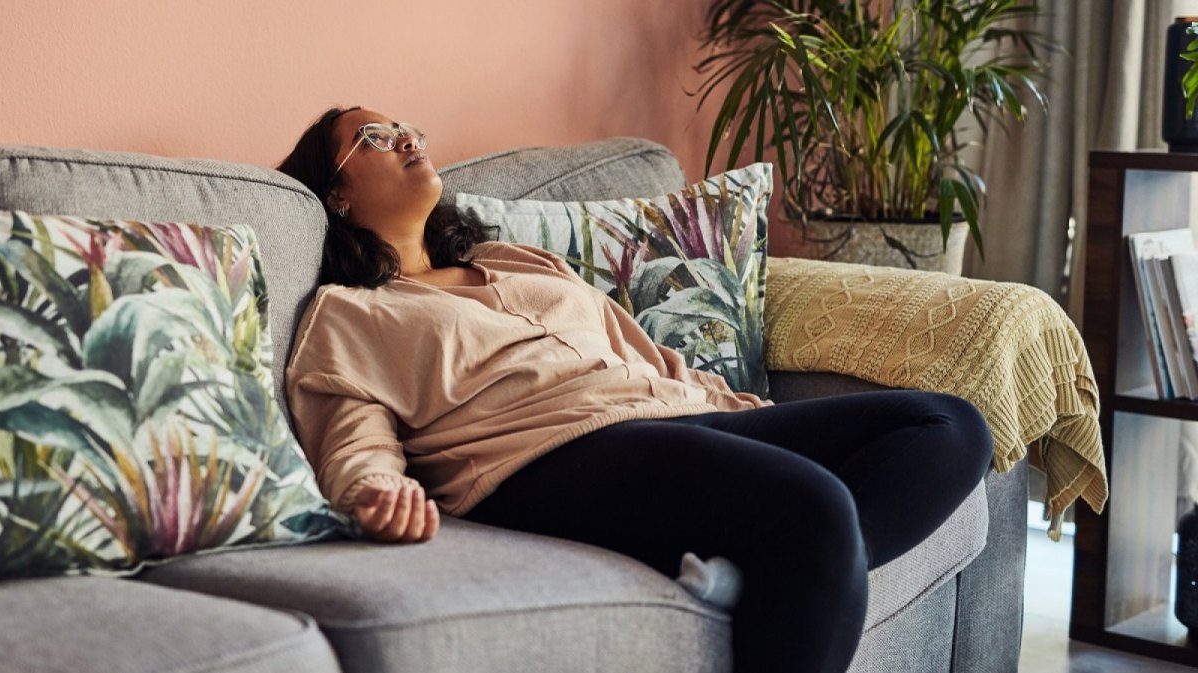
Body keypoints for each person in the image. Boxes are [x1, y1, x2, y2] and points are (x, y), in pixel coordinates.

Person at [277, 106, 994, 673]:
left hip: (670, 417)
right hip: (550, 457)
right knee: (817, 507)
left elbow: (649, 358)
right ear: (336, 192)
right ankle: (791, 561)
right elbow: (352, 437)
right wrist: (375, 494)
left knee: (949, 425)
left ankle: (770, 570)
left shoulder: (513, 260)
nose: (405, 137)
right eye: (374, 136)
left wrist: (753, 419)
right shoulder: (350, 311)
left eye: (407, 126)